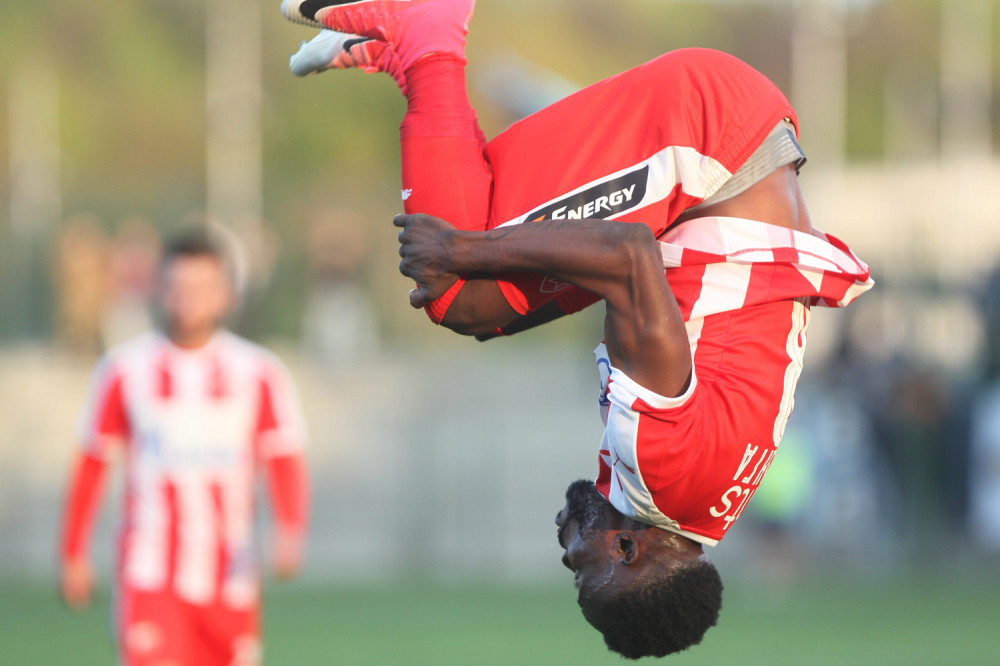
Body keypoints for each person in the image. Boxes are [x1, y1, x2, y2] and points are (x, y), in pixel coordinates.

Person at [283, 0, 873, 658]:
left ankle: (406, 59)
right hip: (712, 145)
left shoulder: (699, 510)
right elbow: (626, 256)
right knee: (459, 292)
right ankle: (426, 31)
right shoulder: (666, 472)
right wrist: (462, 253)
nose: (566, 542)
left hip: (723, 167)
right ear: (626, 547)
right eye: (579, 566)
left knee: (489, 308)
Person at [59, 231, 310, 666]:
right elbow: (94, 459)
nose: (188, 299)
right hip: (150, 572)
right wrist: (74, 551)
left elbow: (283, 456)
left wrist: (289, 529)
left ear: (227, 295)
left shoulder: (259, 372)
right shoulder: (124, 369)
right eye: (177, 287)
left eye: (202, 288)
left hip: (231, 574)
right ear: (160, 290)